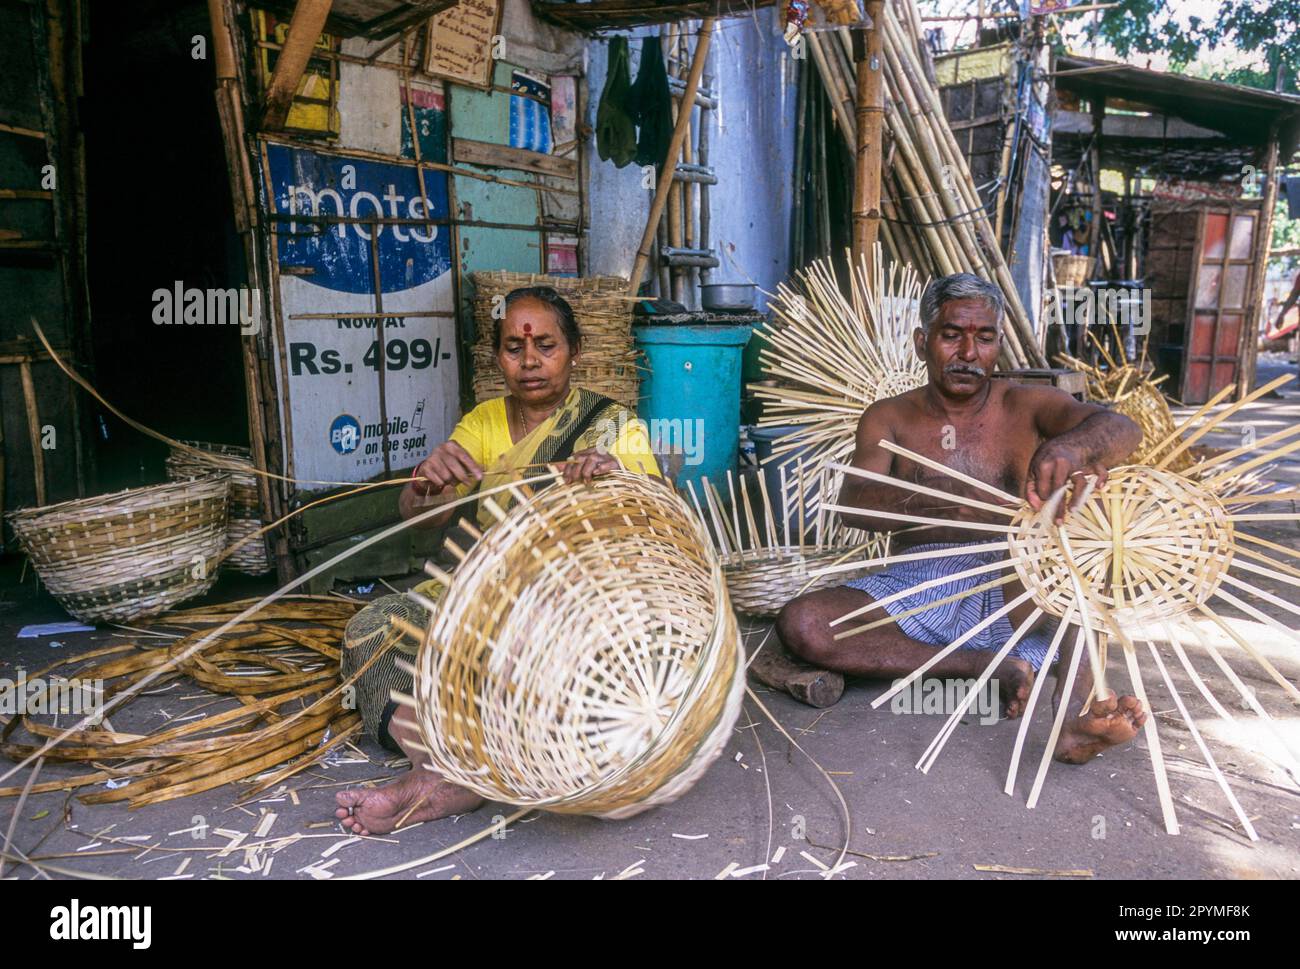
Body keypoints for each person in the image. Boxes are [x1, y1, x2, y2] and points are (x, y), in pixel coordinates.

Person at [776, 273, 1149, 766]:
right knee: (805, 624)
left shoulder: (1028, 405)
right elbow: (854, 501)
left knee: (1077, 563)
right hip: (920, 579)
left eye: (985, 337)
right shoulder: (889, 416)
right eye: (952, 335)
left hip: (1019, 580)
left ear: (997, 344)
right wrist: (941, 505)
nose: (969, 353)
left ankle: (1075, 718)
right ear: (922, 342)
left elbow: (1122, 428)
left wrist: (1072, 445)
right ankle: (984, 666)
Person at [336, 286, 660, 835]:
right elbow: (421, 516)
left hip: (561, 609)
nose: (530, 362)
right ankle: (440, 767)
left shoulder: (613, 426)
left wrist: (615, 479)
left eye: (547, 346)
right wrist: (426, 484)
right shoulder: (483, 423)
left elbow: (652, 519)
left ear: (575, 350)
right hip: (478, 597)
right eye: (513, 348)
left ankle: (508, 738)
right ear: (498, 357)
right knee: (373, 632)